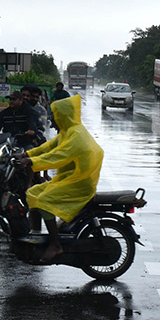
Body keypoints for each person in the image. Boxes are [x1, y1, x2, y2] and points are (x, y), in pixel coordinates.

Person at [21, 94, 103, 263]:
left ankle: (55, 244)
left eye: (55, 115)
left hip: (80, 182)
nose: (52, 119)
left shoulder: (76, 135)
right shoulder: (67, 132)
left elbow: (58, 156)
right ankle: (35, 235)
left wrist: (31, 161)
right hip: (70, 177)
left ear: (63, 115)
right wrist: (26, 153)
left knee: (44, 199)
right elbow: (49, 147)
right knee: (33, 192)